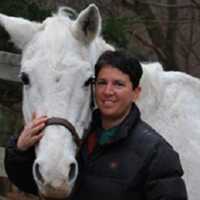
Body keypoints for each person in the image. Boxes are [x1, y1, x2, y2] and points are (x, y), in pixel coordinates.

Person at [4, 50, 187, 200]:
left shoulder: (157, 153)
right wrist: (20, 150)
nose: (108, 91)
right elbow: (34, 182)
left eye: (118, 84)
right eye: (101, 83)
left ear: (135, 93)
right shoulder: (77, 134)